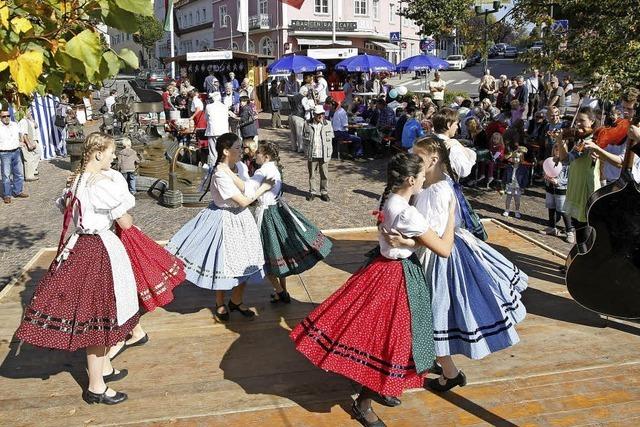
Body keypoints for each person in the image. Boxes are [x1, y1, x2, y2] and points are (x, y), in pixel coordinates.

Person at [291, 153, 456, 427]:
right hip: (399, 278)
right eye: (422, 176)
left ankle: (380, 388)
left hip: (381, 270)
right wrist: (450, 216)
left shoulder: (390, 200)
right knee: (395, 345)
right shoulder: (408, 213)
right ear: (410, 180)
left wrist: (408, 242)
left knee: (381, 339)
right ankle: (364, 402)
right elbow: (444, 249)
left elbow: (399, 235)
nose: (425, 179)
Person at [15, 132, 140, 404]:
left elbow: (68, 212)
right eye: (110, 152)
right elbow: (126, 223)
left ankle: (104, 367)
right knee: (99, 317)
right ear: (97, 153)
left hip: (80, 245)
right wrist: (124, 208)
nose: (114, 156)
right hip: (98, 250)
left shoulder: (75, 180)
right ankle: (96, 386)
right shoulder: (99, 185)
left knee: (101, 312)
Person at [395, 138, 527, 391]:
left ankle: (448, 371)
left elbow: (428, 234)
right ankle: (442, 367)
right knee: (427, 316)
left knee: (430, 316)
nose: (413, 161)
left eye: (417, 157)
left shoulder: (437, 190)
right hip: (443, 249)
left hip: (438, 256)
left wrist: (404, 242)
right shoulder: (432, 186)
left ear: (433, 160)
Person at [166, 133, 273, 322]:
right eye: (238, 148)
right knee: (222, 263)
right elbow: (243, 201)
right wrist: (263, 188)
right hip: (224, 219)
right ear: (226, 151)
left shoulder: (238, 166)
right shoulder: (219, 174)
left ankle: (237, 301)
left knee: (246, 261)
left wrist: (245, 181)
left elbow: (247, 188)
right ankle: (220, 302)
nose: (242, 151)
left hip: (241, 220)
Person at [230, 141, 332, 303]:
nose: (255, 155)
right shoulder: (274, 168)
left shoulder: (263, 170)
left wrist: (228, 174)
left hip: (267, 216)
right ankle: (282, 290)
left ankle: (280, 291)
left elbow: (248, 189)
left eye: (258, 153)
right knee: (277, 253)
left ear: (266, 157)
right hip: (276, 211)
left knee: (264, 255)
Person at [432, 108, 487, 241]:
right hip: (444, 188)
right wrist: (459, 145)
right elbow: (464, 170)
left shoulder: (426, 139)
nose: (457, 127)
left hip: (424, 187)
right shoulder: (452, 146)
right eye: (456, 123)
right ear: (448, 125)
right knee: (448, 225)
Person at [556, 107, 601, 253]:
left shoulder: (591, 140)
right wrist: (560, 141)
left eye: (582, 121)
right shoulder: (581, 139)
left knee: (584, 227)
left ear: (592, 121)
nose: (578, 125)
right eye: (578, 121)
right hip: (576, 183)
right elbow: (565, 158)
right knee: (579, 225)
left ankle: (584, 260)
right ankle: (580, 257)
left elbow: (567, 159)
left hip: (585, 186)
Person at [540, 143, 574, 243]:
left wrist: (558, 182)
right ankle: (552, 227)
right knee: (551, 207)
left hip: (562, 189)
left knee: (563, 210)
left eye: (560, 149)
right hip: (550, 188)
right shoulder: (550, 160)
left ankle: (569, 231)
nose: (557, 150)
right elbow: (546, 170)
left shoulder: (567, 162)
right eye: (556, 148)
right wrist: (546, 177)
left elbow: (570, 178)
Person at [303, 105, 334, 201]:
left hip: (324, 153)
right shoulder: (307, 124)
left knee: (324, 174)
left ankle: (324, 192)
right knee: (312, 174)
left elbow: (331, 138)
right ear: (314, 114)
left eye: (322, 114)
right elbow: (303, 138)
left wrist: (330, 151)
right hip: (312, 152)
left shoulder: (328, 124)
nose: (321, 116)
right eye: (318, 114)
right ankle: (312, 192)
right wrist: (305, 150)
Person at [0, 105, 28, 203]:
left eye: (8, 116)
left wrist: (21, 141)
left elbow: (21, 133)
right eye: (4, 116)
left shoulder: (14, 124)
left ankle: (17, 191)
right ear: (0, 117)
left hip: (16, 151)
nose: (6, 118)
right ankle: (7, 195)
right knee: (6, 175)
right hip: (4, 153)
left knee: (19, 173)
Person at [205, 92, 230, 166]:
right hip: (223, 131)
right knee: (223, 150)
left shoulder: (208, 106)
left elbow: (205, 118)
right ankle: (224, 167)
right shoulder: (225, 106)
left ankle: (213, 168)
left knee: (213, 152)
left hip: (212, 131)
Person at [18, 109, 40, 182]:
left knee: (37, 153)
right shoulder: (23, 121)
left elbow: (36, 125)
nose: (31, 113)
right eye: (29, 112)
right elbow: (24, 134)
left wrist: (32, 119)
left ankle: (32, 170)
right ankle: (29, 175)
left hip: (32, 140)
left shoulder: (29, 120)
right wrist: (28, 144)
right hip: (27, 141)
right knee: (28, 158)